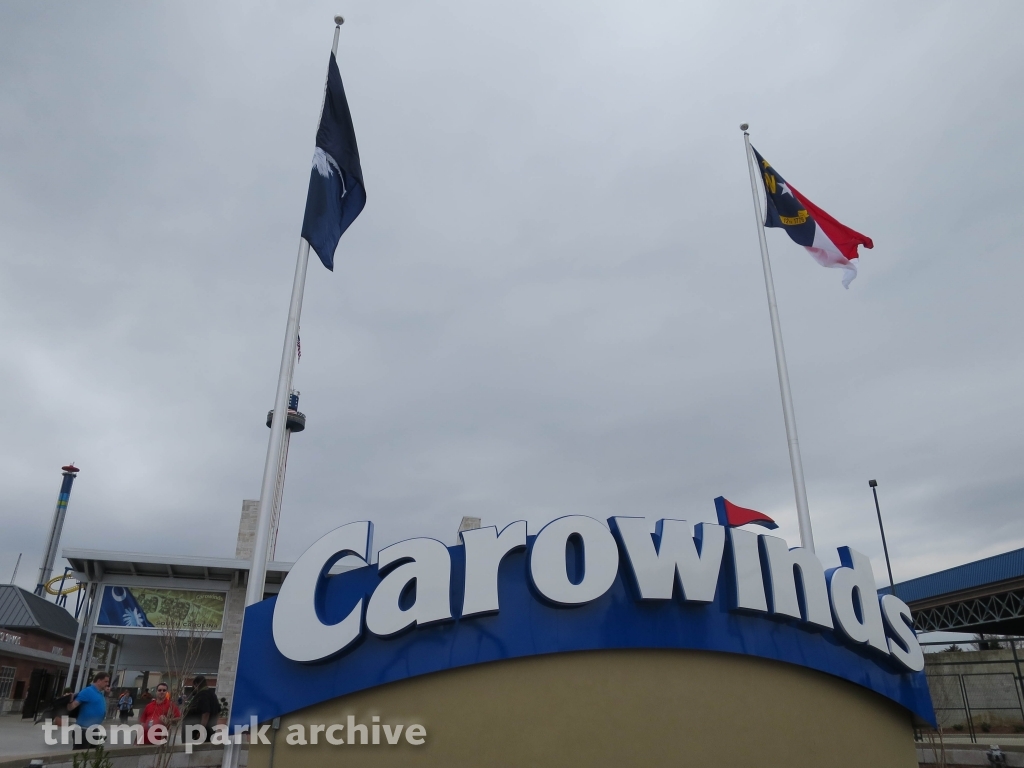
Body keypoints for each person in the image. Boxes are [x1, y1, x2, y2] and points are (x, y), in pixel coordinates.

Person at [67, 672, 110, 750]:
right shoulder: (87, 691)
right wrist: (70, 701)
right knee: (79, 755)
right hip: (83, 730)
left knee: (92, 757)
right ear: (99, 681)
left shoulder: (99, 693)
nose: (107, 684)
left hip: (94, 730)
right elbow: (72, 707)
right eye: (105, 681)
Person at [182, 676, 219, 743]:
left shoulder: (203, 695)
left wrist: (201, 731)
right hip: (208, 730)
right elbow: (218, 712)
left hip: (195, 732)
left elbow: (206, 713)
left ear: (196, 684)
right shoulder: (212, 695)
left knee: (191, 751)